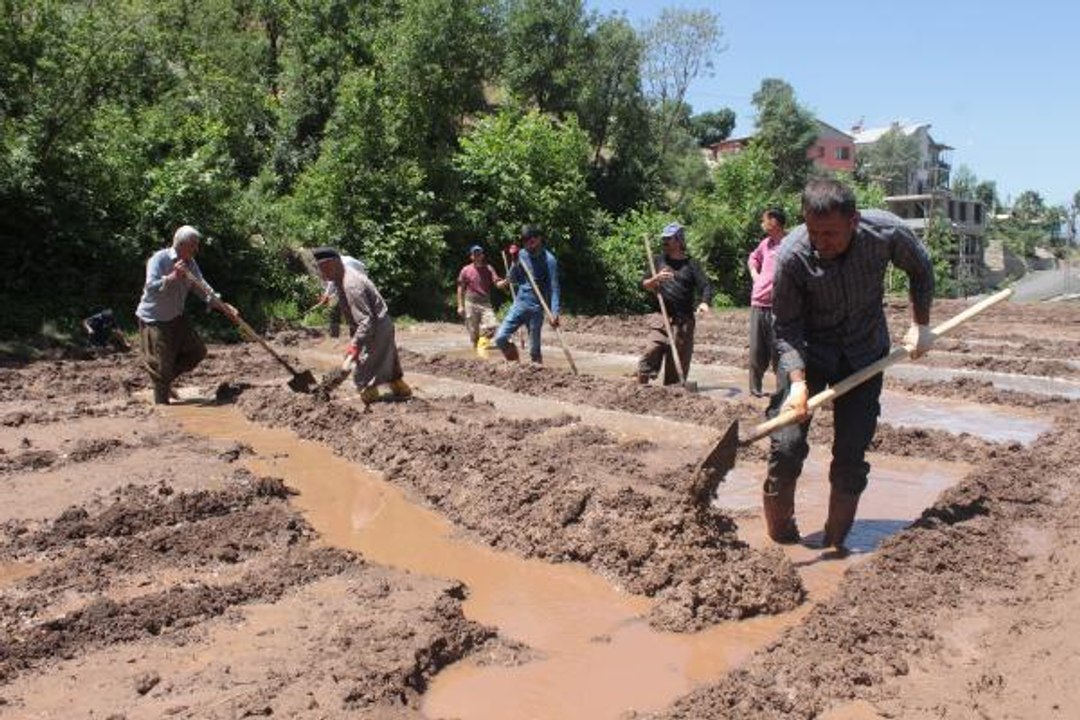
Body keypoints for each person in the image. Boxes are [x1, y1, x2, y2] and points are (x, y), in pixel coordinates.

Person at [762, 179, 934, 551]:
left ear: (854, 220)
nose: (821, 243)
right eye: (813, 232)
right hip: (809, 353)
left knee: (851, 456)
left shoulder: (886, 232)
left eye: (831, 234)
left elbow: (921, 268)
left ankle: (836, 542)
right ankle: (780, 537)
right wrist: (796, 383)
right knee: (787, 445)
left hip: (864, 353)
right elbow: (786, 326)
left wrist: (920, 324)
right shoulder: (793, 255)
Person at [135, 225, 238, 404]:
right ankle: (162, 405)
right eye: (193, 245)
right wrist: (172, 277)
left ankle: (163, 383)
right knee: (161, 366)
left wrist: (223, 306)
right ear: (181, 245)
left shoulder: (191, 263)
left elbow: (202, 287)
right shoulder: (159, 259)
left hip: (176, 315)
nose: (196, 250)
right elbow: (150, 287)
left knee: (197, 351)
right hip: (155, 318)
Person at [312, 246, 411, 405]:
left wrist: (355, 345)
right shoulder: (340, 278)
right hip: (378, 323)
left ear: (334, 264)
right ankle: (401, 389)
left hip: (376, 327)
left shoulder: (352, 285)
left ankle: (372, 405)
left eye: (324, 269)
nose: (322, 274)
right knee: (387, 361)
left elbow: (366, 321)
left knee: (363, 373)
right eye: (320, 269)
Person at [637, 222, 714, 385]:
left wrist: (704, 302)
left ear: (679, 241)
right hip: (661, 318)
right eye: (663, 239)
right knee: (651, 350)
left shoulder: (691, 265)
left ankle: (671, 396)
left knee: (676, 365)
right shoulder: (658, 261)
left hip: (683, 321)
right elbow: (643, 284)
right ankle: (640, 388)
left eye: (668, 239)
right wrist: (654, 279)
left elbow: (705, 286)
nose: (664, 242)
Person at [493, 226, 560, 364]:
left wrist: (554, 312)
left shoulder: (549, 260)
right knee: (500, 338)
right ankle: (514, 361)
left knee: (534, 351)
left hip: (536, 309)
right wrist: (514, 261)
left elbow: (554, 288)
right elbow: (512, 278)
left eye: (531, 239)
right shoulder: (521, 254)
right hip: (519, 305)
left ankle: (537, 375)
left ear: (539, 238)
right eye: (525, 240)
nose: (528, 243)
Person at [746, 207, 787, 397]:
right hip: (758, 303)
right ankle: (755, 391)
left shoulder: (789, 245)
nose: (762, 224)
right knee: (756, 351)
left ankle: (782, 392)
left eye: (764, 220)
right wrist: (756, 275)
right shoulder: (765, 244)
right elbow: (753, 258)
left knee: (779, 351)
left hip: (779, 306)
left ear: (774, 223)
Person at [456, 245, 509, 349]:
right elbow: (460, 288)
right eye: (475, 254)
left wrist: (506, 281)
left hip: (485, 303)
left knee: (493, 325)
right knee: (473, 333)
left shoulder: (488, 269)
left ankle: (482, 343)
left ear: (482, 256)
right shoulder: (465, 270)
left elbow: (498, 284)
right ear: (471, 256)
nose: (477, 256)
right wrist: (460, 306)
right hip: (470, 303)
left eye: (479, 254)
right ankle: (478, 351)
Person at [311, 252, 367, 338]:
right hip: (349, 284)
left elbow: (348, 282)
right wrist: (326, 295)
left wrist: (333, 294)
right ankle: (334, 336)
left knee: (353, 311)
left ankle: (358, 336)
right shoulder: (334, 266)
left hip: (358, 285)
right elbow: (331, 281)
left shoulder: (347, 264)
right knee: (335, 308)